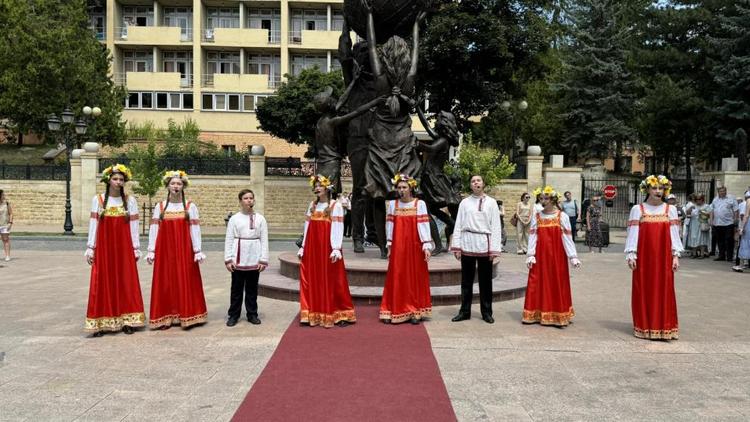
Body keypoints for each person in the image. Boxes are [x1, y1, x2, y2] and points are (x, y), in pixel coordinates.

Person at [84, 164, 145, 336]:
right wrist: (90, 247)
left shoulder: (130, 201)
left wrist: (135, 248)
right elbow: (93, 224)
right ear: (108, 180)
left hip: (124, 248)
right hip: (104, 248)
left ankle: (128, 320)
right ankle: (100, 321)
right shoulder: (99, 200)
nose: (118, 182)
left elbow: (134, 225)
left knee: (126, 281)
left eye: (121, 179)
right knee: (102, 281)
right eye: (115, 179)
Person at [146, 170, 208, 330]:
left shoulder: (189, 206)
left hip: (184, 249)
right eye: (172, 183)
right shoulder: (160, 207)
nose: (175, 186)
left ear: (183, 186)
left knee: (185, 279)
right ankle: (166, 316)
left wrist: (197, 250)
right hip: (165, 251)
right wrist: (151, 250)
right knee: (166, 282)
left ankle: (188, 315)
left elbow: (195, 229)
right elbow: (154, 229)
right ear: (167, 186)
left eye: (179, 183)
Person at [625, 175, 683, 340]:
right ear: (647, 189)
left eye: (661, 188)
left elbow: (674, 235)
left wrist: (675, 256)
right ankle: (644, 326)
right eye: (654, 188)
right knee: (643, 288)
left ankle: (664, 326)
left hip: (664, 257)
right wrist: (631, 254)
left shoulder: (670, 210)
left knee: (664, 289)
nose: (658, 191)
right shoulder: (638, 209)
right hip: (644, 257)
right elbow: (633, 233)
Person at [297, 175, 356, 328]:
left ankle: (339, 312)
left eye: (320, 186)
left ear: (327, 188)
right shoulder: (312, 205)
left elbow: (338, 227)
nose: (317, 188)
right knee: (313, 278)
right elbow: (307, 227)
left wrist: (336, 248)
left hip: (328, 247)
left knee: (333, 278)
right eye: (315, 186)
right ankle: (313, 312)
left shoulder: (334, 205)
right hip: (313, 247)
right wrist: (303, 246)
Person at [523, 186, 581, 327]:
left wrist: (572, 256)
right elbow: (533, 236)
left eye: (546, 198)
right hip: (540, 255)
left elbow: (567, 238)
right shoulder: (537, 217)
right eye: (541, 198)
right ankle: (536, 313)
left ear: (553, 199)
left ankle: (558, 314)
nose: (543, 201)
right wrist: (530, 254)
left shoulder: (562, 216)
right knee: (537, 282)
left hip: (557, 256)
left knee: (557, 282)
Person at [380, 174, 433, 324]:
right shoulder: (393, 205)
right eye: (399, 187)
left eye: (404, 187)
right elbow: (389, 225)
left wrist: (426, 245)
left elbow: (423, 225)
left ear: (411, 188)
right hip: (398, 246)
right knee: (397, 275)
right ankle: (392, 309)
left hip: (414, 246)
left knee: (414, 277)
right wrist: (389, 244)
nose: (401, 190)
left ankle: (414, 310)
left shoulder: (419, 204)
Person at [449, 175, 502, 324]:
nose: (476, 183)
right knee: (466, 281)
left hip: (485, 244)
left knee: (486, 281)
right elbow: (458, 224)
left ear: (483, 184)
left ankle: (486, 312)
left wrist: (494, 249)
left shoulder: (491, 203)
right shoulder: (464, 203)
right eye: (473, 181)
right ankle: (464, 311)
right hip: (467, 243)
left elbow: (496, 227)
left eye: (478, 180)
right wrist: (457, 246)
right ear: (470, 185)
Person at [224, 189, 269, 326]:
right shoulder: (234, 219)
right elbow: (229, 239)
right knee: (236, 289)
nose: (249, 200)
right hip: (238, 257)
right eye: (245, 198)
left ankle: (252, 314)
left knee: (252, 288)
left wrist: (263, 259)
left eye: (251, 198)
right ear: (240, 201)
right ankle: (233, 315)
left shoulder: (260, 218)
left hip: (254, 256)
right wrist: (228, 259)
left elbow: (264, 239)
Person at [709, 186, 738, 261]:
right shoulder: (715, 199)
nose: (722, 192)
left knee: (729, 240)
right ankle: (721, 255)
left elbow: (736, 210)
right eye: (720, 191)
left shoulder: (731, 198)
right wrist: (711, 220)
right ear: (718, 192)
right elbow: (711, 210)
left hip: (728, 223)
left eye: (723, 191)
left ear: (726, 191)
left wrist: (735, 219)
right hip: (717, 223)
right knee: (720, 240)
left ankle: (729, 256)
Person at [685, 193, 710, 258]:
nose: (698, 200)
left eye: (699, 199)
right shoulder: (693, 206)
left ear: (702, 199)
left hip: (702, 224)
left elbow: (709, 215)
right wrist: (690, 208)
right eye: (696, 199)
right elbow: (687, 213)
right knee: (693, 237)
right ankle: (694, 253)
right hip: (693, 224)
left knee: (702, 238)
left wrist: (702, 212)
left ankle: (702, 254)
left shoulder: (706, 206)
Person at [733, 192, 750, 272]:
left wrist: (742, 227)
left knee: (744, 242)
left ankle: (741, 265)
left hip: (748, 224)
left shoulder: (748, 201)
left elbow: (746, 215)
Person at [0, 189, 12, 261]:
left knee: (6, 240)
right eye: (3, 195)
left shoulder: (6, 204)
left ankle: (7, 255)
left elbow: (11, 214)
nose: (4, 196)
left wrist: (10, 223)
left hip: (4, 224)